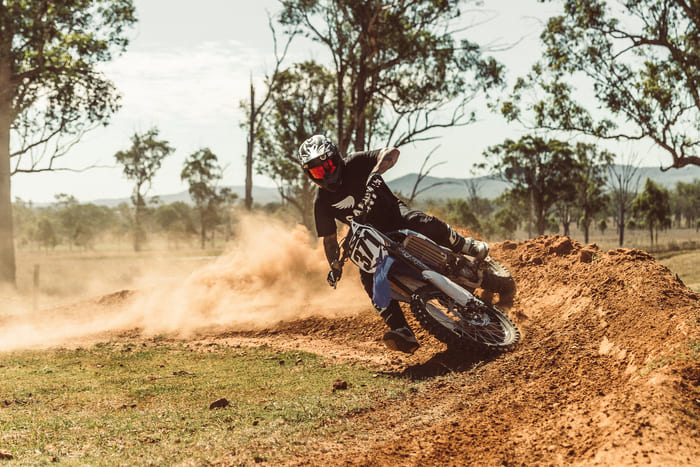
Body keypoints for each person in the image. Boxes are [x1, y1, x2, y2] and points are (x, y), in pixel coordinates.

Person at [298, 134, 489, 354]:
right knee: (368, 277)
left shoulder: (356, 162)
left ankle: (465, 245)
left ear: (337, 158)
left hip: (394, 214)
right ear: (310, 174)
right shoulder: (321, 201)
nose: (325, 173)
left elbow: (391, 152)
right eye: (317, 171)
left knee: (418, 221)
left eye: (327, 165)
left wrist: (376, 172)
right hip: (371, 236)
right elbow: (329, 240)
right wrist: (335, 265)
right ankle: (401, 330)